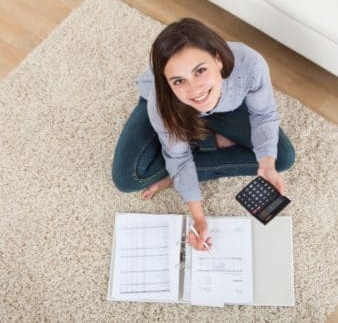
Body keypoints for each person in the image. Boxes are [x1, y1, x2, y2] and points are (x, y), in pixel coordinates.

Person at [112, 18, 295, 251]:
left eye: (200, 71)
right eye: (179, 80)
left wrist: (267, 164)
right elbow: (178, 158)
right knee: (128, 179)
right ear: (167, 82)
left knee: (281, 157)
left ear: (218, 59)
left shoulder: (251, 65)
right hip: (177, 108)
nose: (194, 89)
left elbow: (264, 114)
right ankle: (196, 145)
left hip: (227, 105)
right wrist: (199, 218)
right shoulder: (162, 99)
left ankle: (195, 144)